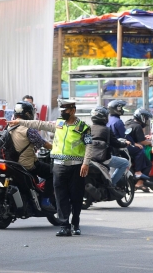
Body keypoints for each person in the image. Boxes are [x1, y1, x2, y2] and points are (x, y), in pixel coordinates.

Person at [8, 99, 92, 237]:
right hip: (59, 166)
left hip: (76, 167)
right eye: (61, 111)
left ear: (73, 110)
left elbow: (89, 145)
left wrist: (86, 163)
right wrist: (20, 122)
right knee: (60, 196)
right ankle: (64, 225)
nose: (63, 113)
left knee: (76, 197)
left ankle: (75, 223)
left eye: (65, 110)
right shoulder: (59, 124)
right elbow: (40, 124)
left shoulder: (83, 127)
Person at [8, 101, 55, 211]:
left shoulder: (8, 126)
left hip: (11, 163)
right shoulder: (29, 130)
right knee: (52, 173)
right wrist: (56, 148)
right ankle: (46, 200)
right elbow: (43, 144)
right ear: (28, 114)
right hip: (27, 164)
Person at [107, 99, 151, 188]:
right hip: (120, 145)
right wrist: (134, 144)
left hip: (112, 146)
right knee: (139, 150)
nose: (123, 110)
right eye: (121, 108)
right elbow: (125, 135)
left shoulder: (109, 120)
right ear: (117, 109)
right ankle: (138, 172)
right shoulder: (118, 121)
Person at [90, 106, 131, 188]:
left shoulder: (88, 128)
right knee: (125, 163)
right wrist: (125, 143)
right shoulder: (106, 130)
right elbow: (116, 143)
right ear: (104, 117)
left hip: (89, 158)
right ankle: (111, 184)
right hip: (103, 158)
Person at [125, 108, 153, 192]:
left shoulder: (128, 122)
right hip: (132, 148)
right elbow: (142, 142)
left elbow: (132, 135)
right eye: (146, 118)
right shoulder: (138, 126)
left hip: (125, 147)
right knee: (148, 164)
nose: (147, 120)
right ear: (141, 117)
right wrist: (150, 143)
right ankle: (139, 183)